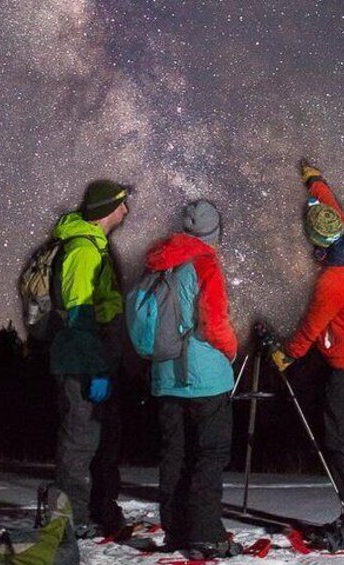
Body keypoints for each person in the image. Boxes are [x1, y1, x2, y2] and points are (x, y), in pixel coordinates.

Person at [270, 160, 344, 550]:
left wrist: (286, 356)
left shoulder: (333, 282)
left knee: (341, 441)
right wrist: (313, 179)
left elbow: (308, 328)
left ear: (317, 243)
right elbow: (329, 201)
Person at [143, 199, 241, 559]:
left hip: (165, 374)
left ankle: (176, 530)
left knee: (174, 454)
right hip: (205, 378)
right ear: (213, 233)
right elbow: (214, 323)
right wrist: (231, 352)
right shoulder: (205, 262)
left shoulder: (158, 260)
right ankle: (205, 534)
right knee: (209, 454)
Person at [49, 179, 129, 538]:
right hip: (82, 363)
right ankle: (68, 518)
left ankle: (96, 510)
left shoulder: (96, 246)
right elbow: (79, 316)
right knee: (79, 440)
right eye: (121, 204)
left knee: (100, 438)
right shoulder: (83, 251)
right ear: (105, 212)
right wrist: (96, 369)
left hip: (96, 359)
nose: (126, 210)